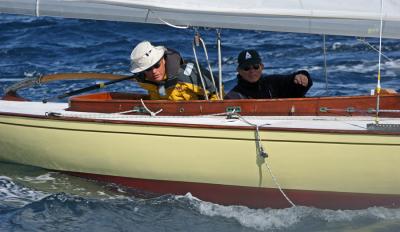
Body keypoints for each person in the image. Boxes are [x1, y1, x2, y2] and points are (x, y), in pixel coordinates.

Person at [130, 41, 220, 101]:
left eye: (157, 65)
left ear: (164, 60)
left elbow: (216, 90)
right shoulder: (145, 81)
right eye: (148, 69)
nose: (154, 71)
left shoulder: (187, 75)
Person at [225, 49, 312, 99]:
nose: (252, 71)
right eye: (246, 68)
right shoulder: (233, 96)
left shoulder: (273, 83)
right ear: (239, 70)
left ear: (262, 67)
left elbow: (291, 82)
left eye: (255, 66)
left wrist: (302, 76)